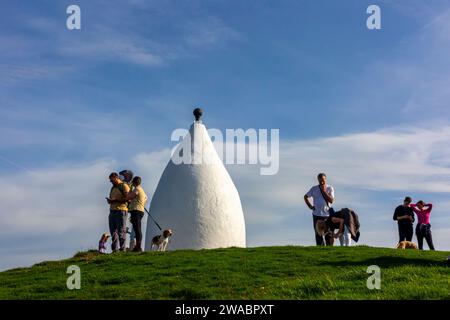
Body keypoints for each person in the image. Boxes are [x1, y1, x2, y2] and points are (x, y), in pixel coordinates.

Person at [304, 173, 335, 246]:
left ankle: (329, 250)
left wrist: (324, 191)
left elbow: (331, 200)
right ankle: (320, 249)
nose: (321, 182)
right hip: (316, 214)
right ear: (318, 180)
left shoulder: (330, 188)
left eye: (323, 180)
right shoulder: (314, 188)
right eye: (320, 180)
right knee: (318, 234)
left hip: (327, 215)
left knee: (328, 234)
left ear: (325, 179)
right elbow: (305, 197)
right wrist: (310, 206)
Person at [106, 172, 130, 252]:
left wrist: (116, 200)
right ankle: (115, 250)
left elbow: (128, 199)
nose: (111, 182)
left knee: (121, 231)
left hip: (121, 211)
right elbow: (111, 198)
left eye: (112, 180)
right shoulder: (113, 188)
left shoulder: (124, 186)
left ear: (116, 178)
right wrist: (110, 201)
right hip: (112, 211)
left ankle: (122, 249)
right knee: (113, 232)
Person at [126, 176, 148, 252]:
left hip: (136, 211)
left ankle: (138, 247)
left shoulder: (137, 189)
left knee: (137, 229)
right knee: (138, 228)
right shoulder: (141, 189)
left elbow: (129, 197)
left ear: (133, 182)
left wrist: (129, 191)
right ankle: (138, 246)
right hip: (140, 210)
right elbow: (146, 198)